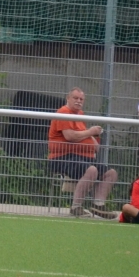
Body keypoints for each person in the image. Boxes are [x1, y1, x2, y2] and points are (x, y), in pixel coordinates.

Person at [48, 88, 120, 218]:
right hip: (63, 157)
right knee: (91, 170)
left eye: (81, 99)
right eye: (75, 98)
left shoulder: (80, 114)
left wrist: (93, 139)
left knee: (111, 173)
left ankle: (98, 204)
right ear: (68, 98)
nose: (79, 101)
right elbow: (70, 136)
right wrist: (91, 132)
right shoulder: (63, 112)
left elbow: (83, 134)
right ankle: (76, 207)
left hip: (84, 158)